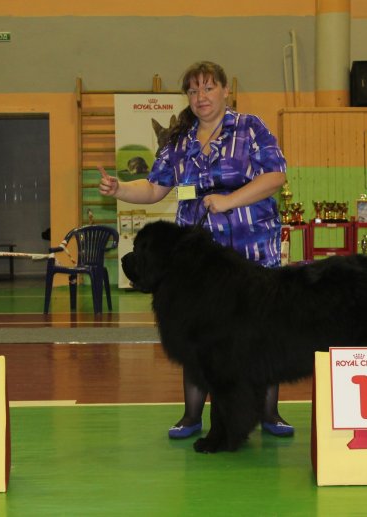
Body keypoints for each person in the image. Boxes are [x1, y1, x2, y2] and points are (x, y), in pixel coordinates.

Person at [99, 61, 294, 439]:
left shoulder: (251, 128)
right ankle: (192, 415)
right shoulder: (180, 140)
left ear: (225, 90)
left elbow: (276, 176)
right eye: (192, 91)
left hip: (253, 251)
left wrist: (229, 200)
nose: (200, 97)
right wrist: (119, 189)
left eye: (207, 88)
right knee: (196, 333)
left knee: (263, 333)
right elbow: (155, 188)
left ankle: (270, 413)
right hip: (197, 262)